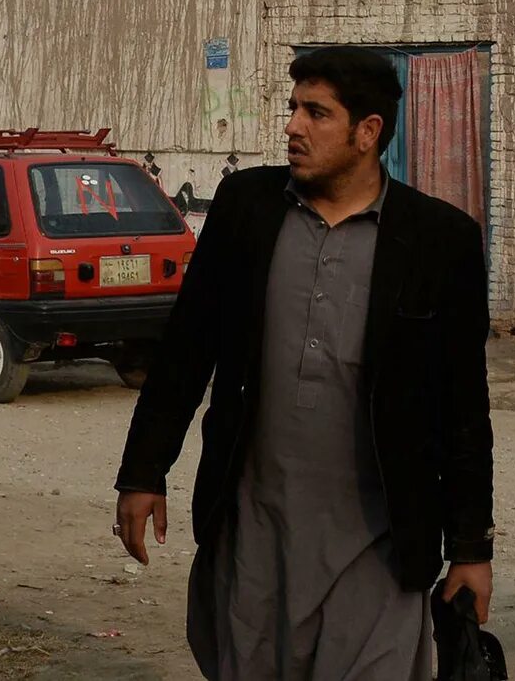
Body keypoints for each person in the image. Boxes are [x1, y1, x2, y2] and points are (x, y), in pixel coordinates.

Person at [114, 46, 494, 680]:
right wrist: (144, 470)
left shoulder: (440, 240)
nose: (293, 125)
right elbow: (187, 349)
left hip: (380, 542)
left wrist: (471, 547)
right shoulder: (246, 208)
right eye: (293, 108)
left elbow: (463, 407)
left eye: (316, 113)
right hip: (255, 532)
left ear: (367, 132)